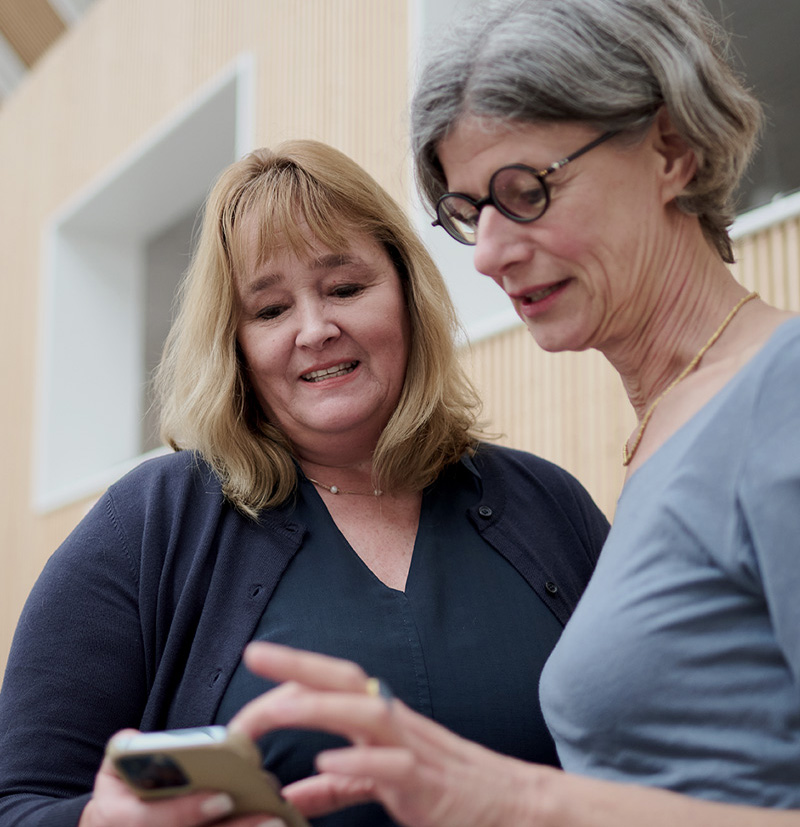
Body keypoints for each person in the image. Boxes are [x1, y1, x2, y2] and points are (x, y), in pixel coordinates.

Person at [223, 1, 800, 825]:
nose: (488, 254)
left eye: (525, 192)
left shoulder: (779, 393)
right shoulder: (665, 432)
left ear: (670, 150)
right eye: (467, 214)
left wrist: (515, 798)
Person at [0, 139, 610, 827]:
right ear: (234, 345)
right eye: (269, 310)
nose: (316, 329)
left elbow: (662, 767)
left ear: (408, 294)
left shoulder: (550, 505)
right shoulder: (151, 524)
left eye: (345, 288)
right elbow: (18, 803)